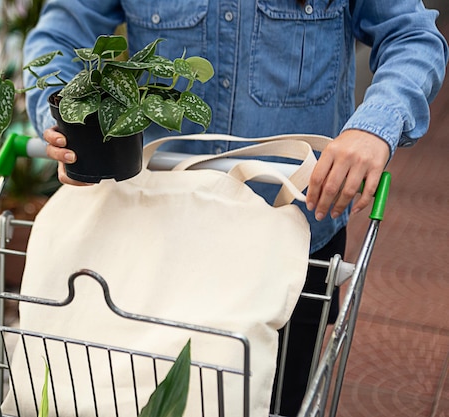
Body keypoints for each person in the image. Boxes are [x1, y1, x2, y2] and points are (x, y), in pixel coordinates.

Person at [23, 1, 448, 415]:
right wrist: (67, 124)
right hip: (159, 229)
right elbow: (60, 32)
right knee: (140, 391)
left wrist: (373, 127)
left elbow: (412, 36)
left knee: (275, 395)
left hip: (290, 239)